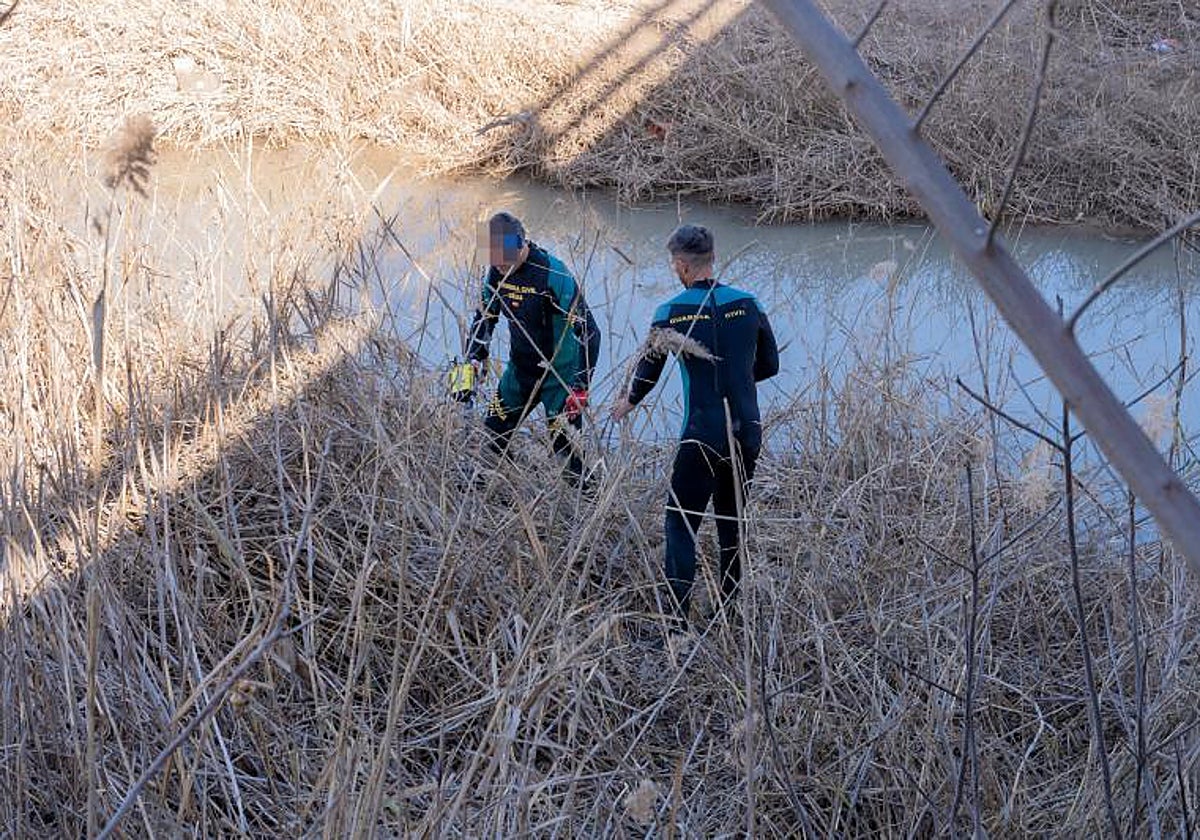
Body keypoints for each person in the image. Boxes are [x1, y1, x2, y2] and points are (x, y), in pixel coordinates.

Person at [611, 223, 779, 628]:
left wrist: (627, 402)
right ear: (712, 259)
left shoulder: (670, 312)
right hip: (745, 432)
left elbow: (648, 372)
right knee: (731, 521)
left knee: (680, 523)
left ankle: (675, 623)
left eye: (674, 263)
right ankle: (730, 610)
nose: (674, 269)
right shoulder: (749, 302)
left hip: (701, 435)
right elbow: (770, 365)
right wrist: (735, 381)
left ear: (683, 266)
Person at [457, 211, 600, 479]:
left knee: (567, 456)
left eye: (504, 262)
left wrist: (581, 386)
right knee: (492, 439)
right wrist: (471, 363)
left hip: (560, 377)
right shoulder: (495, 273)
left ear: (521, 244)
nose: (500, 268)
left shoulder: (552, 273)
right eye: (495, 263)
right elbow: (484, 319)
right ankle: (509, 495)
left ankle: (588, 507)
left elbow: (591, 332)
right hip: (520, 372)